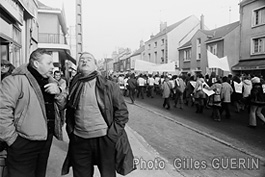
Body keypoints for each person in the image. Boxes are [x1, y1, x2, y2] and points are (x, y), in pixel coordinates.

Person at [61, 52, 135, 177]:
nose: (84, 61)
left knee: (107, 174)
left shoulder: (109, 86)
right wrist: (71, 132)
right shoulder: (74, 84)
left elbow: (122, 113)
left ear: (96, 66)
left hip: (104, 138)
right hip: (79, 139)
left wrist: (112, 135)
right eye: (82, 60)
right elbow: (68, 108)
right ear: (78, 66)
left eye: (89, 59)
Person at [0, 48, 67, 177]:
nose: (52, 67)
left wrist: (58, 92)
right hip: (23, 141)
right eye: (49, 63)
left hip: (44, 141)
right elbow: (2, 111)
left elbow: (63, 106)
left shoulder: (51, 81)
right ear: (36, 63)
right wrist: (12, 139)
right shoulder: (14, 80)